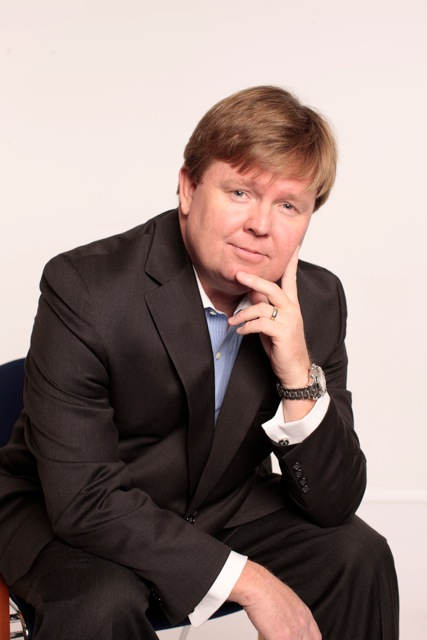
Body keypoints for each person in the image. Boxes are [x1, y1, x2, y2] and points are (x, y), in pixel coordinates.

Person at [0, 86, 399, 639]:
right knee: (100, 603)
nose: (261, 225)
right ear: (188, 188)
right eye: (240, 192)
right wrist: (251, 582)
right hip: (74, 513)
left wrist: (297, 375)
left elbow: (333, 504)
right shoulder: (86, 288)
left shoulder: (317, 299)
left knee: (359, 554)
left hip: (218, 505)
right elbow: (84, 500)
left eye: (288, 205)